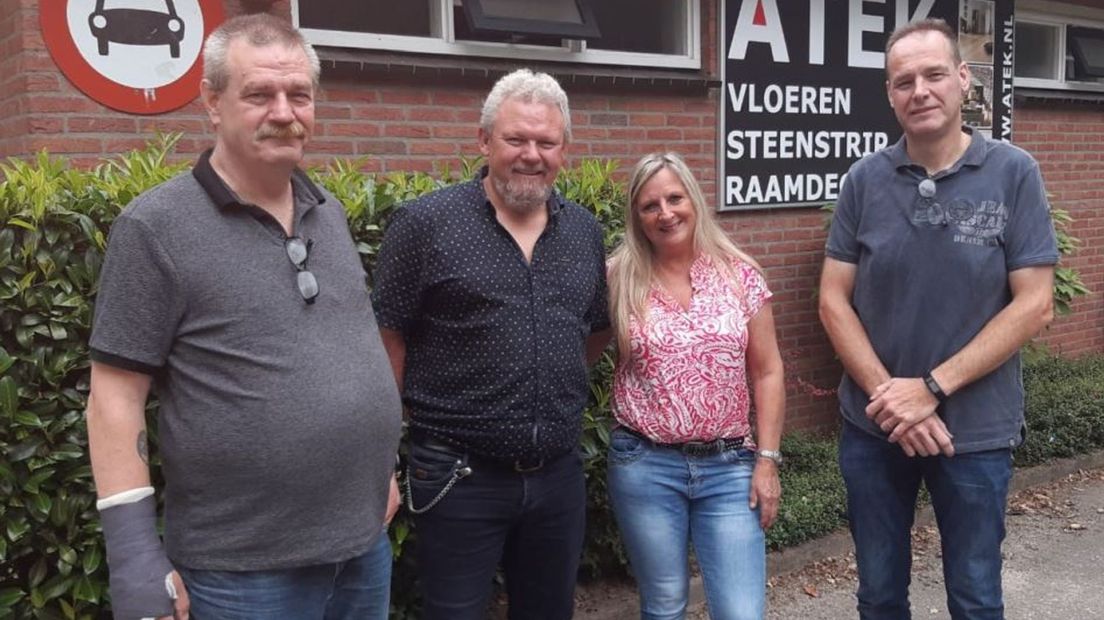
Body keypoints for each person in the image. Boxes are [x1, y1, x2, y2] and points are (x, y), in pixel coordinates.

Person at [86, 14, 402, 620]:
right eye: (259, 94)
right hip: (241, 574)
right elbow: (113, 399)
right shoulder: (155, 228)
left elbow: (348, 350)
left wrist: (378, 471)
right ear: (212, 102)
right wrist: (132, 554)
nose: (283, 112)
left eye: (299, 95)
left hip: (363, 549)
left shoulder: (327, 211)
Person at [819, 18, 1058, 620]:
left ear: (962, 80)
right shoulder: (863, 181)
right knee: (877, 594)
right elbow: (832, 299)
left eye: (932, 75)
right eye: (903, 81)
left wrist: (931, 388)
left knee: (976, 598)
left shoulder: (1013, 173)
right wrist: (890, 398)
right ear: (890, 95)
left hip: (974, 434)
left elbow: (1035, 303)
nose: (918, 91)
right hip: (875, 431)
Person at [371, 68, 611, 620]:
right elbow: (388, 336)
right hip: (458, 474)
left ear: (564, 150)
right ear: (484, 141)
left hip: (557, 474)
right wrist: (391, 443)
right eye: (515, 139)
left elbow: (596, 326)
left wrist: (544, 382)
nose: (532, 154)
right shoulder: (425, 224)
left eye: (546, 142)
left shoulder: (584, 234)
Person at [605, 152, 785, 620]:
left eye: (674, 198)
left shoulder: (738, 274)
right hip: (645, 465)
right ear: (636, 216)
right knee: (664, 604)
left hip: (729, 468)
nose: (665, 213)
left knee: (741, 612)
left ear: (693, 200)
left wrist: (767, 460)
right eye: (650, 206)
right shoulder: (616, 278)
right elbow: (580, 354)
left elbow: (767, 371)